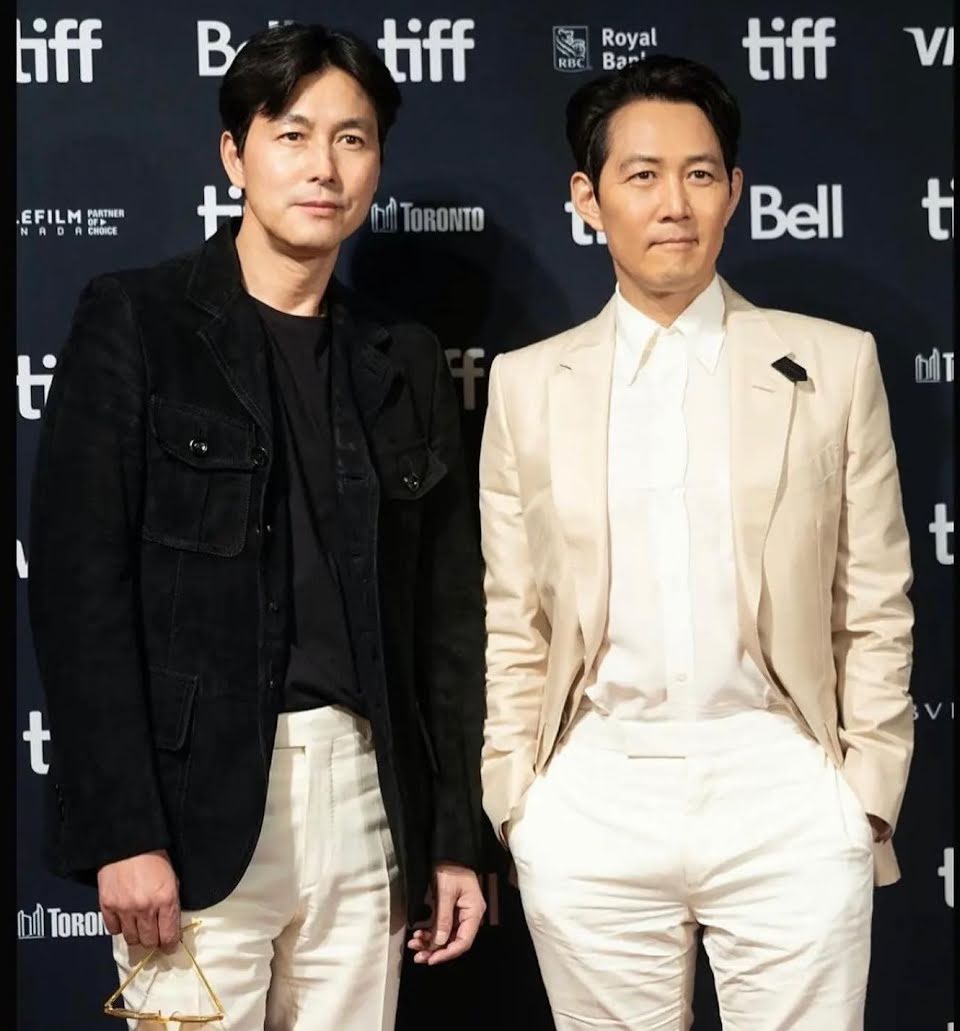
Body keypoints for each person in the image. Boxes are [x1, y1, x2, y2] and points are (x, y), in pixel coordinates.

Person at [29, 21, 486, 1030]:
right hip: (193, 805)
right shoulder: (138, 321)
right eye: (292, 134)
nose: (324, 166)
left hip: (366, 800)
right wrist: (123, 828)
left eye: (353, 139)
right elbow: (78, 594)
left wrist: (454, 834)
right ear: (235, 155)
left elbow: (445, 620)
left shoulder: (403, 356)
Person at [479, 54, 913, 1030]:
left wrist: (864, 795)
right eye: (642, 175)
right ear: (587, 198)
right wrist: (522, 800)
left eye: (700, 173)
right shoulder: (528, 383)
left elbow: (874, 599)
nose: (674, 203)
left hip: (784, 786)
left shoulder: (833, 365)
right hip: (595, 793)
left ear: (735, 191)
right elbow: (515, 616)